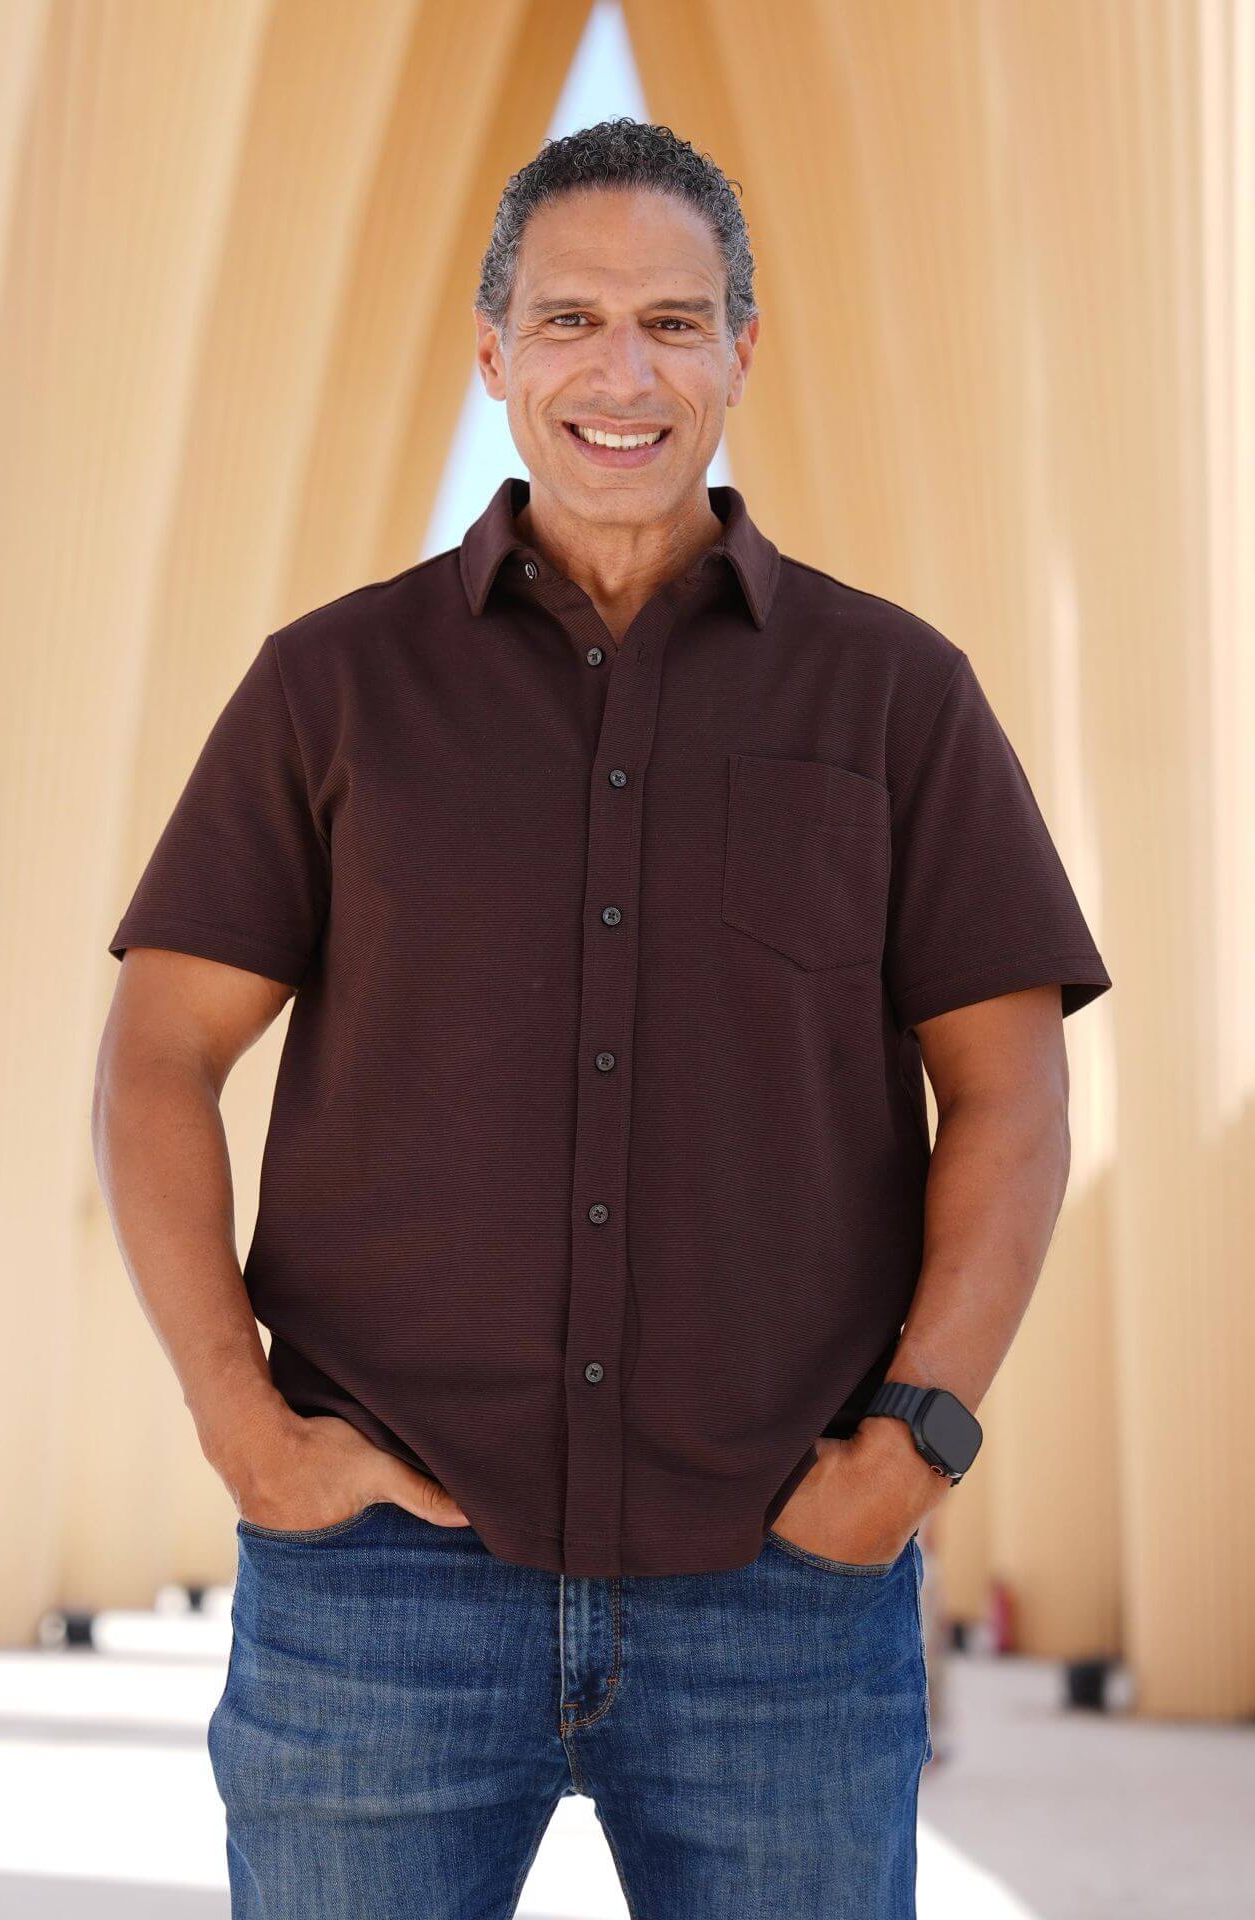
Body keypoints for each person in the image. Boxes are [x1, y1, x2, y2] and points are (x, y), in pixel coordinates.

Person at [92, 117, 1111, 1919]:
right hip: (385, 1595)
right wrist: (241, 1422)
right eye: (568, 322)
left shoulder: (899, 698)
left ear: (739, 352)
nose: (619, 372)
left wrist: (914, 1447)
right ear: (492, 356)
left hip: (780, 1592)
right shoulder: (329, 688)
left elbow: (1013, 1099)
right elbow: (162, 1054)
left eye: (670, 320)